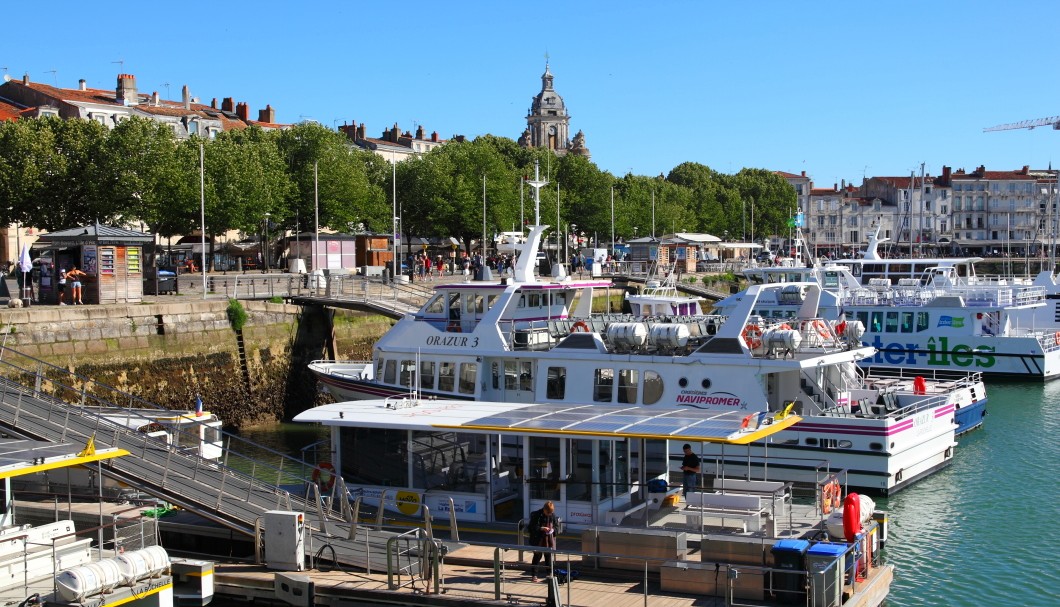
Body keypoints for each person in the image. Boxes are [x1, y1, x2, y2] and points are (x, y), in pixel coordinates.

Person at [528, 500, 557, 582]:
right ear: (544, 509)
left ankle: (549, 574)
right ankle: (534, 575)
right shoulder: (537, 515)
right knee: (537, 557)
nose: (549, 514)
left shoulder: (552, 515)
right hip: (538, 539)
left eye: (550, 513)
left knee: (548, 557)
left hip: (548, 540)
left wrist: (553, 530)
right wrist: (541, 528)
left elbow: (556, 526)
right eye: (548, 512)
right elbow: (531, 527)